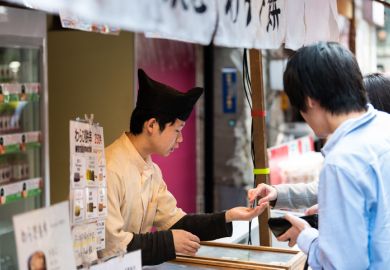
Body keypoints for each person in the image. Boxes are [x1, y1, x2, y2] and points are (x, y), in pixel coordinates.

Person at [100, 69, 268, 265]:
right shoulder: (109, 168)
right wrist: (169, 242)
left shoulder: (151, 169)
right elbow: (111, 247)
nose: (180, 139)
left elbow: (176, 221)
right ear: (152, 125)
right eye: (177, 130)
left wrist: (228, 216)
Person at [251, 42, 390, 269]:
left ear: (309, 100)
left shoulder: (341, 162)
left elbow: (342, 264)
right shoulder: (385, 126)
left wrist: (305, 236)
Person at [248, 72, 390, 215]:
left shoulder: (357, 154)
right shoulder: (368, 147)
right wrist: (279, 194)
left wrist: (306, 235)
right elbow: (329, 188)